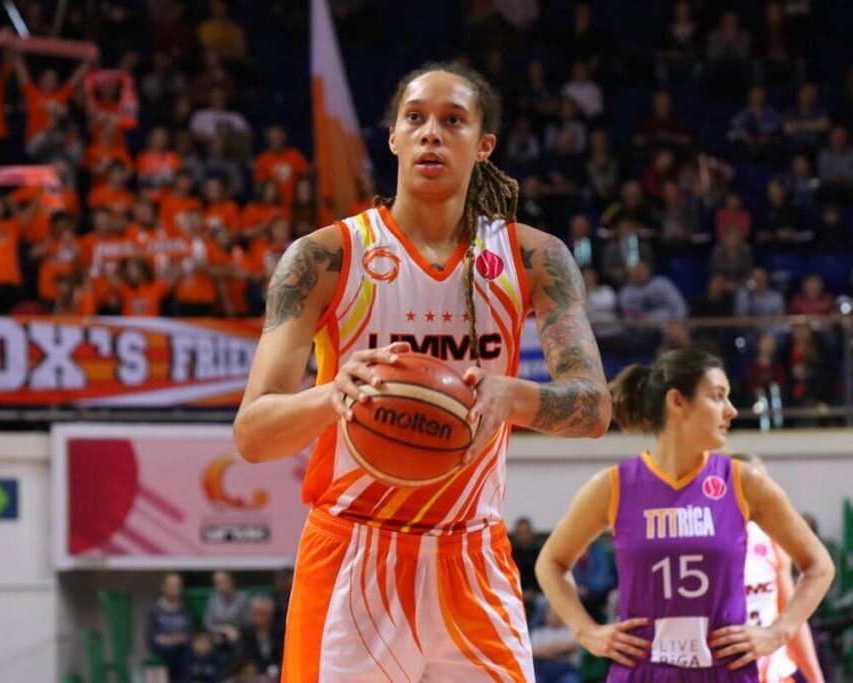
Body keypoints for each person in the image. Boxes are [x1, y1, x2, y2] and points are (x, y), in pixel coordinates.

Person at [233, 61, 612, 682]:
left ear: (483, 144)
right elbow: (252, 434)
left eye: (452, 120)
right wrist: (334, 395)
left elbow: (594, 409)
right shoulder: (324, 257)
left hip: (474, 556)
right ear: (394, 137)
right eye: (416, 118)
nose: (431, 132)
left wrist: (514, 397)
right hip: (355, 551)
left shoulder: (535, 257)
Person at [535, 348, 834, 681]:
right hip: (643, 671)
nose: (732, 411)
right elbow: (551, 562)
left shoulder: (744, 482)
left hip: (724, 671)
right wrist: (586, 632)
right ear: (677, 402)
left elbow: (819, 565)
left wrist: (779, 632)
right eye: (718, 397)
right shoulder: (614, 485)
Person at [731, 453, 825, 683]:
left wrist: (815, 678)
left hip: (771, 672)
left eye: (764, 485)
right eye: (752, 486)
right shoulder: (699, 542)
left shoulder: (771, 541)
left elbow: (792, 617)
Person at [145, 572, 194, 681]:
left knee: (192, 652)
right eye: (172, 585)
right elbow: (150, 635)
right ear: (163, 587)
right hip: (163, 646)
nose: (175, 589)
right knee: (171, 651)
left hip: (182, 644)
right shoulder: (155, 609)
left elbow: (190, 631)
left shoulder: (185, 608)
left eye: (178, 585)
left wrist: (182, 638)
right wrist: (166, 639)